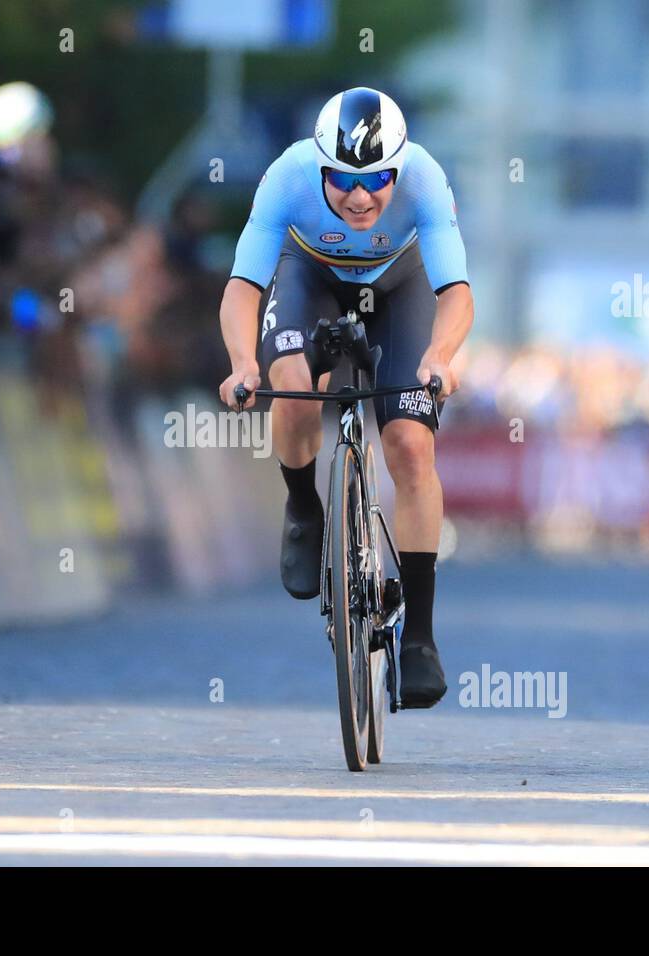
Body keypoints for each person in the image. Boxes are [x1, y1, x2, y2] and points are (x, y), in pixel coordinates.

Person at [217, 87, 475, 708]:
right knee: (297, 390)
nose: (361, 198)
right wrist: (242, 363)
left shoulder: (427, 181)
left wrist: (439, 356)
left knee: (411, 447)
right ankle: (304, 506)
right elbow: (242, 285)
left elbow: (456, 291)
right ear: (319, 165)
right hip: (312, 278)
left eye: (378, 179)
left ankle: (420, 636)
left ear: (401, 166)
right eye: (343, 181)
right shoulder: (286, 178)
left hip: (400, 284)